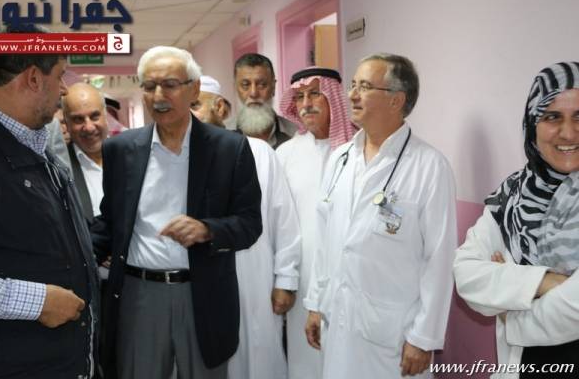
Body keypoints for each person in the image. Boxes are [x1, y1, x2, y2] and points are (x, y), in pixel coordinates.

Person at [90, 47, 262, 379]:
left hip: (203, 295)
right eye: (149, 86)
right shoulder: (120, 150)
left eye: (169, 84)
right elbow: (110, 222)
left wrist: (207, 230)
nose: (158, 96)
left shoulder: (229, 148)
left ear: (194, 89)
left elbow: (250, 224)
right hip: (139, 295)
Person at [304, 53, 457, 379]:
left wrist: (424, 337)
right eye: (353, 85)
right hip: (337, 317)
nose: (352, 94)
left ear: (396, 100)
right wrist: (316, 302)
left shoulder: (429, 166)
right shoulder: (341, 158)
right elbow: (325, 237)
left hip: (393, 336)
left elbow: (440, 259)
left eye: (364, 86)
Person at [0, 30, 99, 379]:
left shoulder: (31, 141)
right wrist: (36, 301)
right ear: (33, 78)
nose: (64, 90)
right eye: (60, 76)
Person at [454, 62, 579, 379]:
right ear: (532, 123)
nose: (568, 132)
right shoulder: (512, 196)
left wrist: (514, 310)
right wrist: (547, 281)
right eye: (552, 117)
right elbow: (466, 274)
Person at [193, 75, 302, 379]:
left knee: (259, 358)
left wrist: (285, 280)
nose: (189, 113)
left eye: (196, 104)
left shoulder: (258, 151)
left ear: (219, 107)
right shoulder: (179, 158)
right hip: (204, 284)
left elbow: (284, 220)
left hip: (256, 280)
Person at [276, 66, 356, 379]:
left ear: (334, 98)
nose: (306, 104)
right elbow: (280, 223)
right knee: (306, 360)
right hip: (304, 274)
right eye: (299, 97)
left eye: (315, 94)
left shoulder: (359, 150)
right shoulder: (285, 154)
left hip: (349, 276)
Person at [63, 82, 109, 222]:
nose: (89, 127)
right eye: (78, 119)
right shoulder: (59, 168)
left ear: (105, 115)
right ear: (67, 123)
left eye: (94, 116)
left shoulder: (129, 156)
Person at [234, 53, 297, 148]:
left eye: (262, 85)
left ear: (273, 87)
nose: (253, 93)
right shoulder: (221, 135)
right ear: (236, 88)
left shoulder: (294, 134)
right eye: (245, 85)